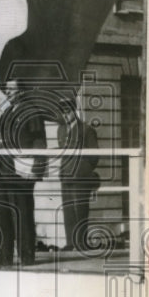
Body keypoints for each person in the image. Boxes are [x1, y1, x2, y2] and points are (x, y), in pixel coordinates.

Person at [0, 79, 47, 266]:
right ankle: (3, 257)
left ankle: (26, 256)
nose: (9, 92)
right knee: (3, 215)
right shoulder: (8, 112)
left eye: (13, 89)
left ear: (22, 90)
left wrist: (37, 168)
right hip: (5, 173)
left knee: (22, 213)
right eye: (8, 89)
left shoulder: (31, 111)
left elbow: (39, 141)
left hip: (21, 173)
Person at [57, 99, 100, 251]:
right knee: (68, 210)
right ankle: (71, 243)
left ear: (74, 110)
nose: (65, 114)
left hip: (81, 176)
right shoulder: (61, 130)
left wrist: (83, 169)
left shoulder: (86, 130)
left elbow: (94, 156)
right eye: (62, 111)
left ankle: (81, 243)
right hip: (65, 175)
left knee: (80, 210)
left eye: (67, 111)